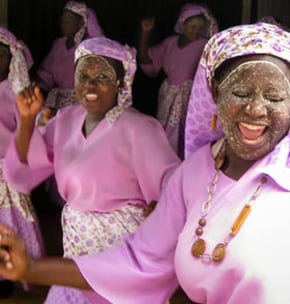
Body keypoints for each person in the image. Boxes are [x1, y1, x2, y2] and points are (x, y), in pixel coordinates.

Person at [1, 22, 290, 304]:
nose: (255, 110)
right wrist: (34, 267)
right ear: (215, 93)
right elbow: (140, 260)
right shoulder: (197, 172)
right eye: (240, 93)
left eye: (274, 97)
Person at [2, 36, 180, 303]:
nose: (90, 84)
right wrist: (27, 121)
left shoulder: (140, 128)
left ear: (121, 82)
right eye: (83, 75)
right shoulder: (66, 119)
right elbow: (21, 174)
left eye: (103, 77)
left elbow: (172, 185)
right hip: (76, 247)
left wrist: (162, 210)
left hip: (118, 250)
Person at [138, 2, 218, 158]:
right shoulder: (170, 43)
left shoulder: (204, 45)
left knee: (184, 132)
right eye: (192, 26)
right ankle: (163, 162)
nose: (196, 32)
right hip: (168, 95)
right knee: (163, 130)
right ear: (183, 23)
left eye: (200, 28)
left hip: (190, 98)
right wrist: (145, 33)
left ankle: (179, 166)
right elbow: (146, 59)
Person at [0, 27, 44, 298]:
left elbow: (26, 133)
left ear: (12, 58)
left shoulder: (17, 92)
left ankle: (11, 272)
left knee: (9, 222)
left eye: (2, 54)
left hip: (6, 168)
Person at [36, 0, 104, 112]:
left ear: (81, 23)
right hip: (59, 104)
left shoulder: (90, 46)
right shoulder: (58, 45)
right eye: (62, 22)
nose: (63, 26)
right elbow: (46, 75)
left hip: (84, 104)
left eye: (67, 22)